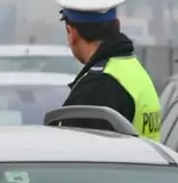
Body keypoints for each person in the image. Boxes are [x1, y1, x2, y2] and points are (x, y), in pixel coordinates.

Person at [53, 0, 161, 140]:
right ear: (117, 25)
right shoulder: (133, 69)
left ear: (71, 33)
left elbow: (76, 156)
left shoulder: (96, 87)